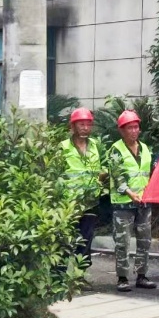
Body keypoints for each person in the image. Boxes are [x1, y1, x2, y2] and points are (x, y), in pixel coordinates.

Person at [107, 110, 158, 293]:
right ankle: (122, 278)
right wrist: (130, 193)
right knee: (123, 242)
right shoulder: (116, 150)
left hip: (143, 203)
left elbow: (151, 173)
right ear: (122, 130)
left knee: (145, 240)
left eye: (136, 127)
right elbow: (117, 176)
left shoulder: (145, 148)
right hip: (123, 204)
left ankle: (142, 275)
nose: (134, 131)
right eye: (129, 128)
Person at [61, 107, 107, 270]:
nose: (85, 128)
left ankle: (80, 275)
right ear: (72, 126)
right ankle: (59, 276)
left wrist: (103, 175)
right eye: (81, 124)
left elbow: (105, 165)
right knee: (64, 241)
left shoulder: (96, 146)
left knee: (86, 240)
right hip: (68, 204)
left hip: (90, 203)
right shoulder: (63, 147)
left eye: (88, 124)